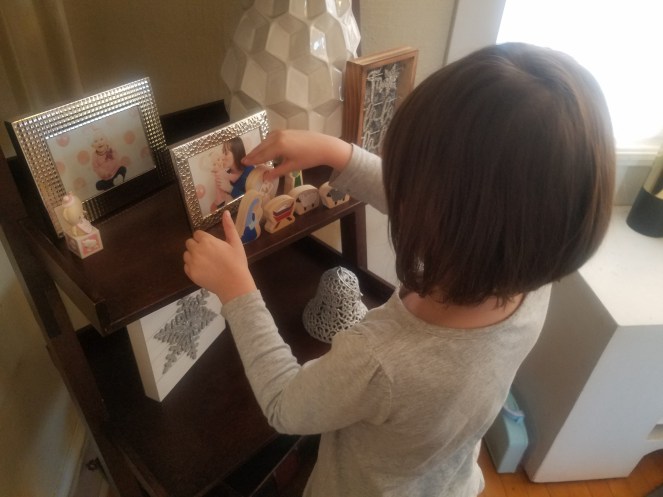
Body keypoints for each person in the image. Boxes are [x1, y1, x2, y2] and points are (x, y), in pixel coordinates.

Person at [182, 43, 615, 497]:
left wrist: (237, 291)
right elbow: (449, 211)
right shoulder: (529, 271)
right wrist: (339, 154)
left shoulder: (380, 361)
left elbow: (283, 404)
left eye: (406, 180)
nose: (398, 188)